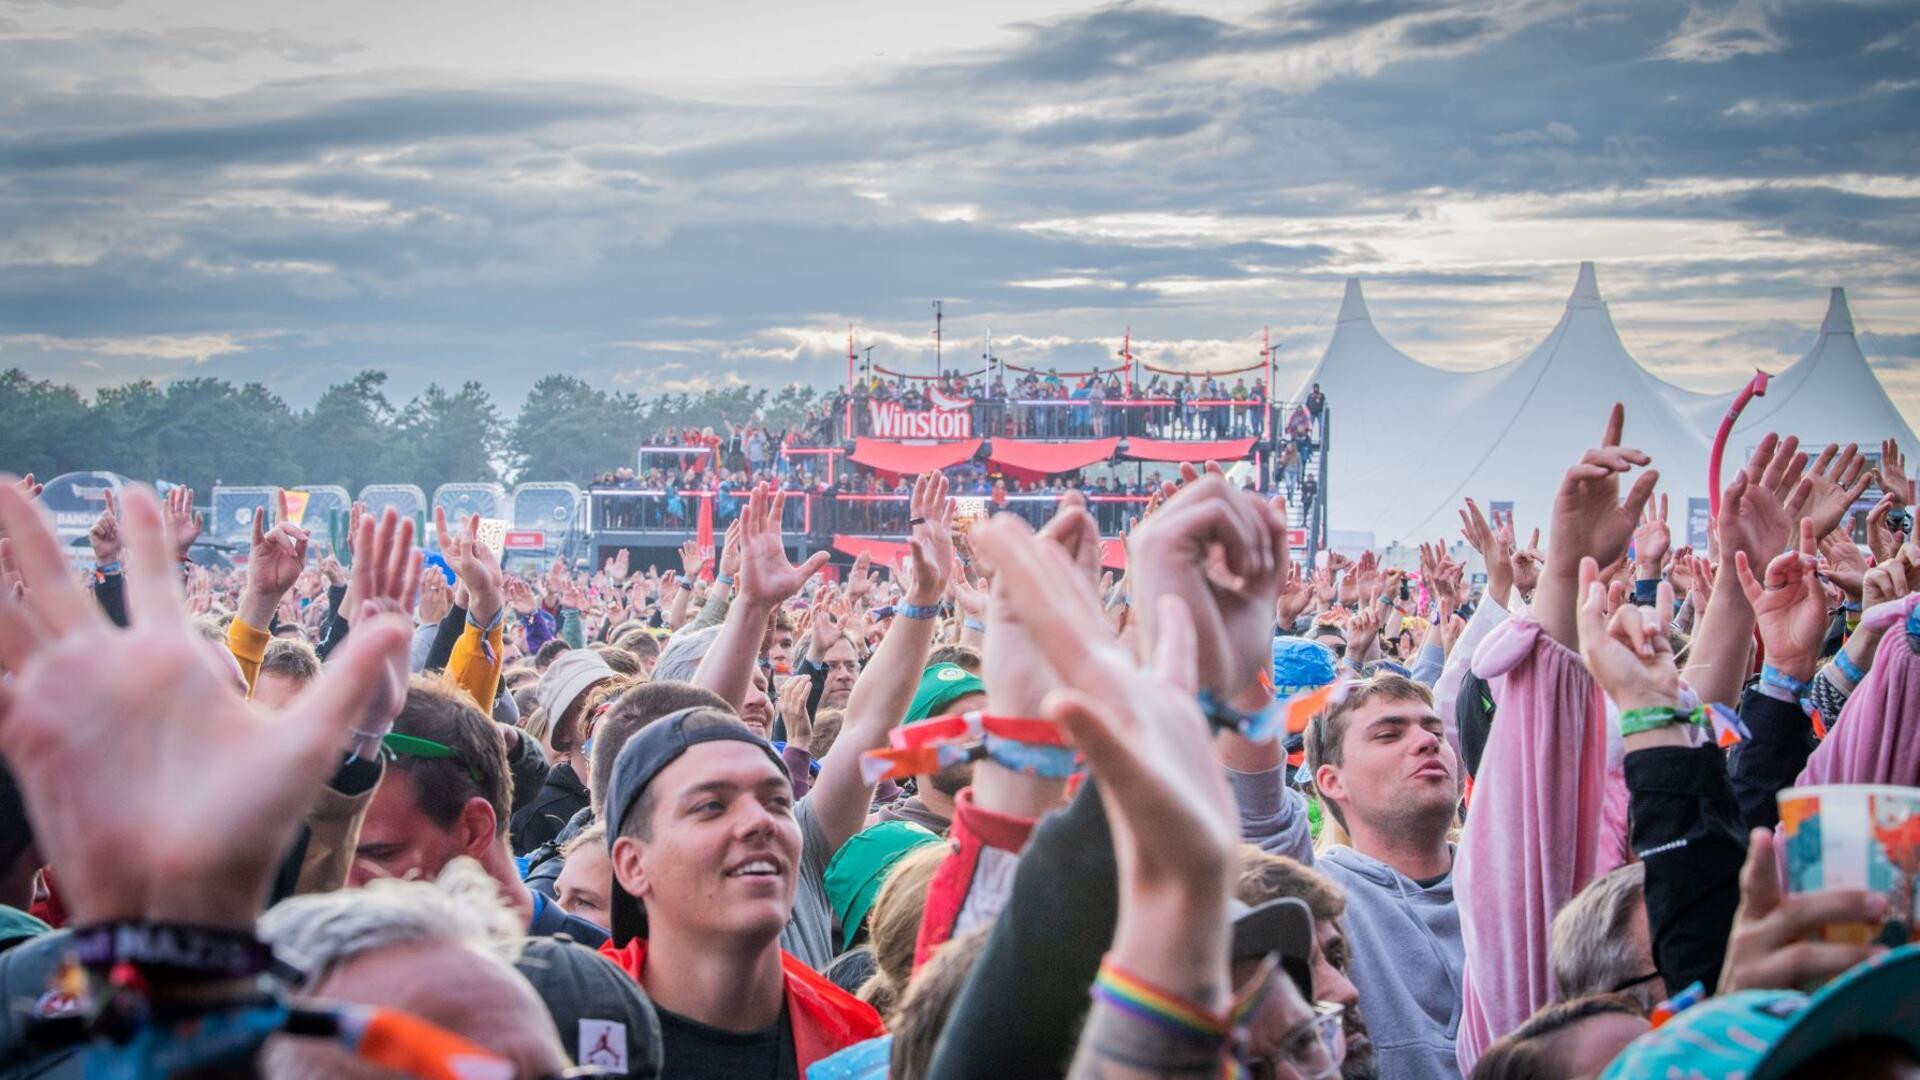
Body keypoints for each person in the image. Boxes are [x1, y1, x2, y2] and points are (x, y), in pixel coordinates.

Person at [599, 707, 885, 1075]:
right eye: (712, 806)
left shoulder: (857, 1047)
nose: (761, 821)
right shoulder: (565, 1028)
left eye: (778, 802)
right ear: (632, 864)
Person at [350, 679, 609, 946]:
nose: (345, 885)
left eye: (381, 854)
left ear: (474, 830)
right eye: (336, 857)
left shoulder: (606, 974)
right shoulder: (339, 964)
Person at [1305, 674, 1465, 1080]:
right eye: (1389, 735)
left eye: (1435, 731)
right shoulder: (1318, 898)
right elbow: (1259, 814)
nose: (1428, 742)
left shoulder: (1508, 878)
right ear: (1332, 781)